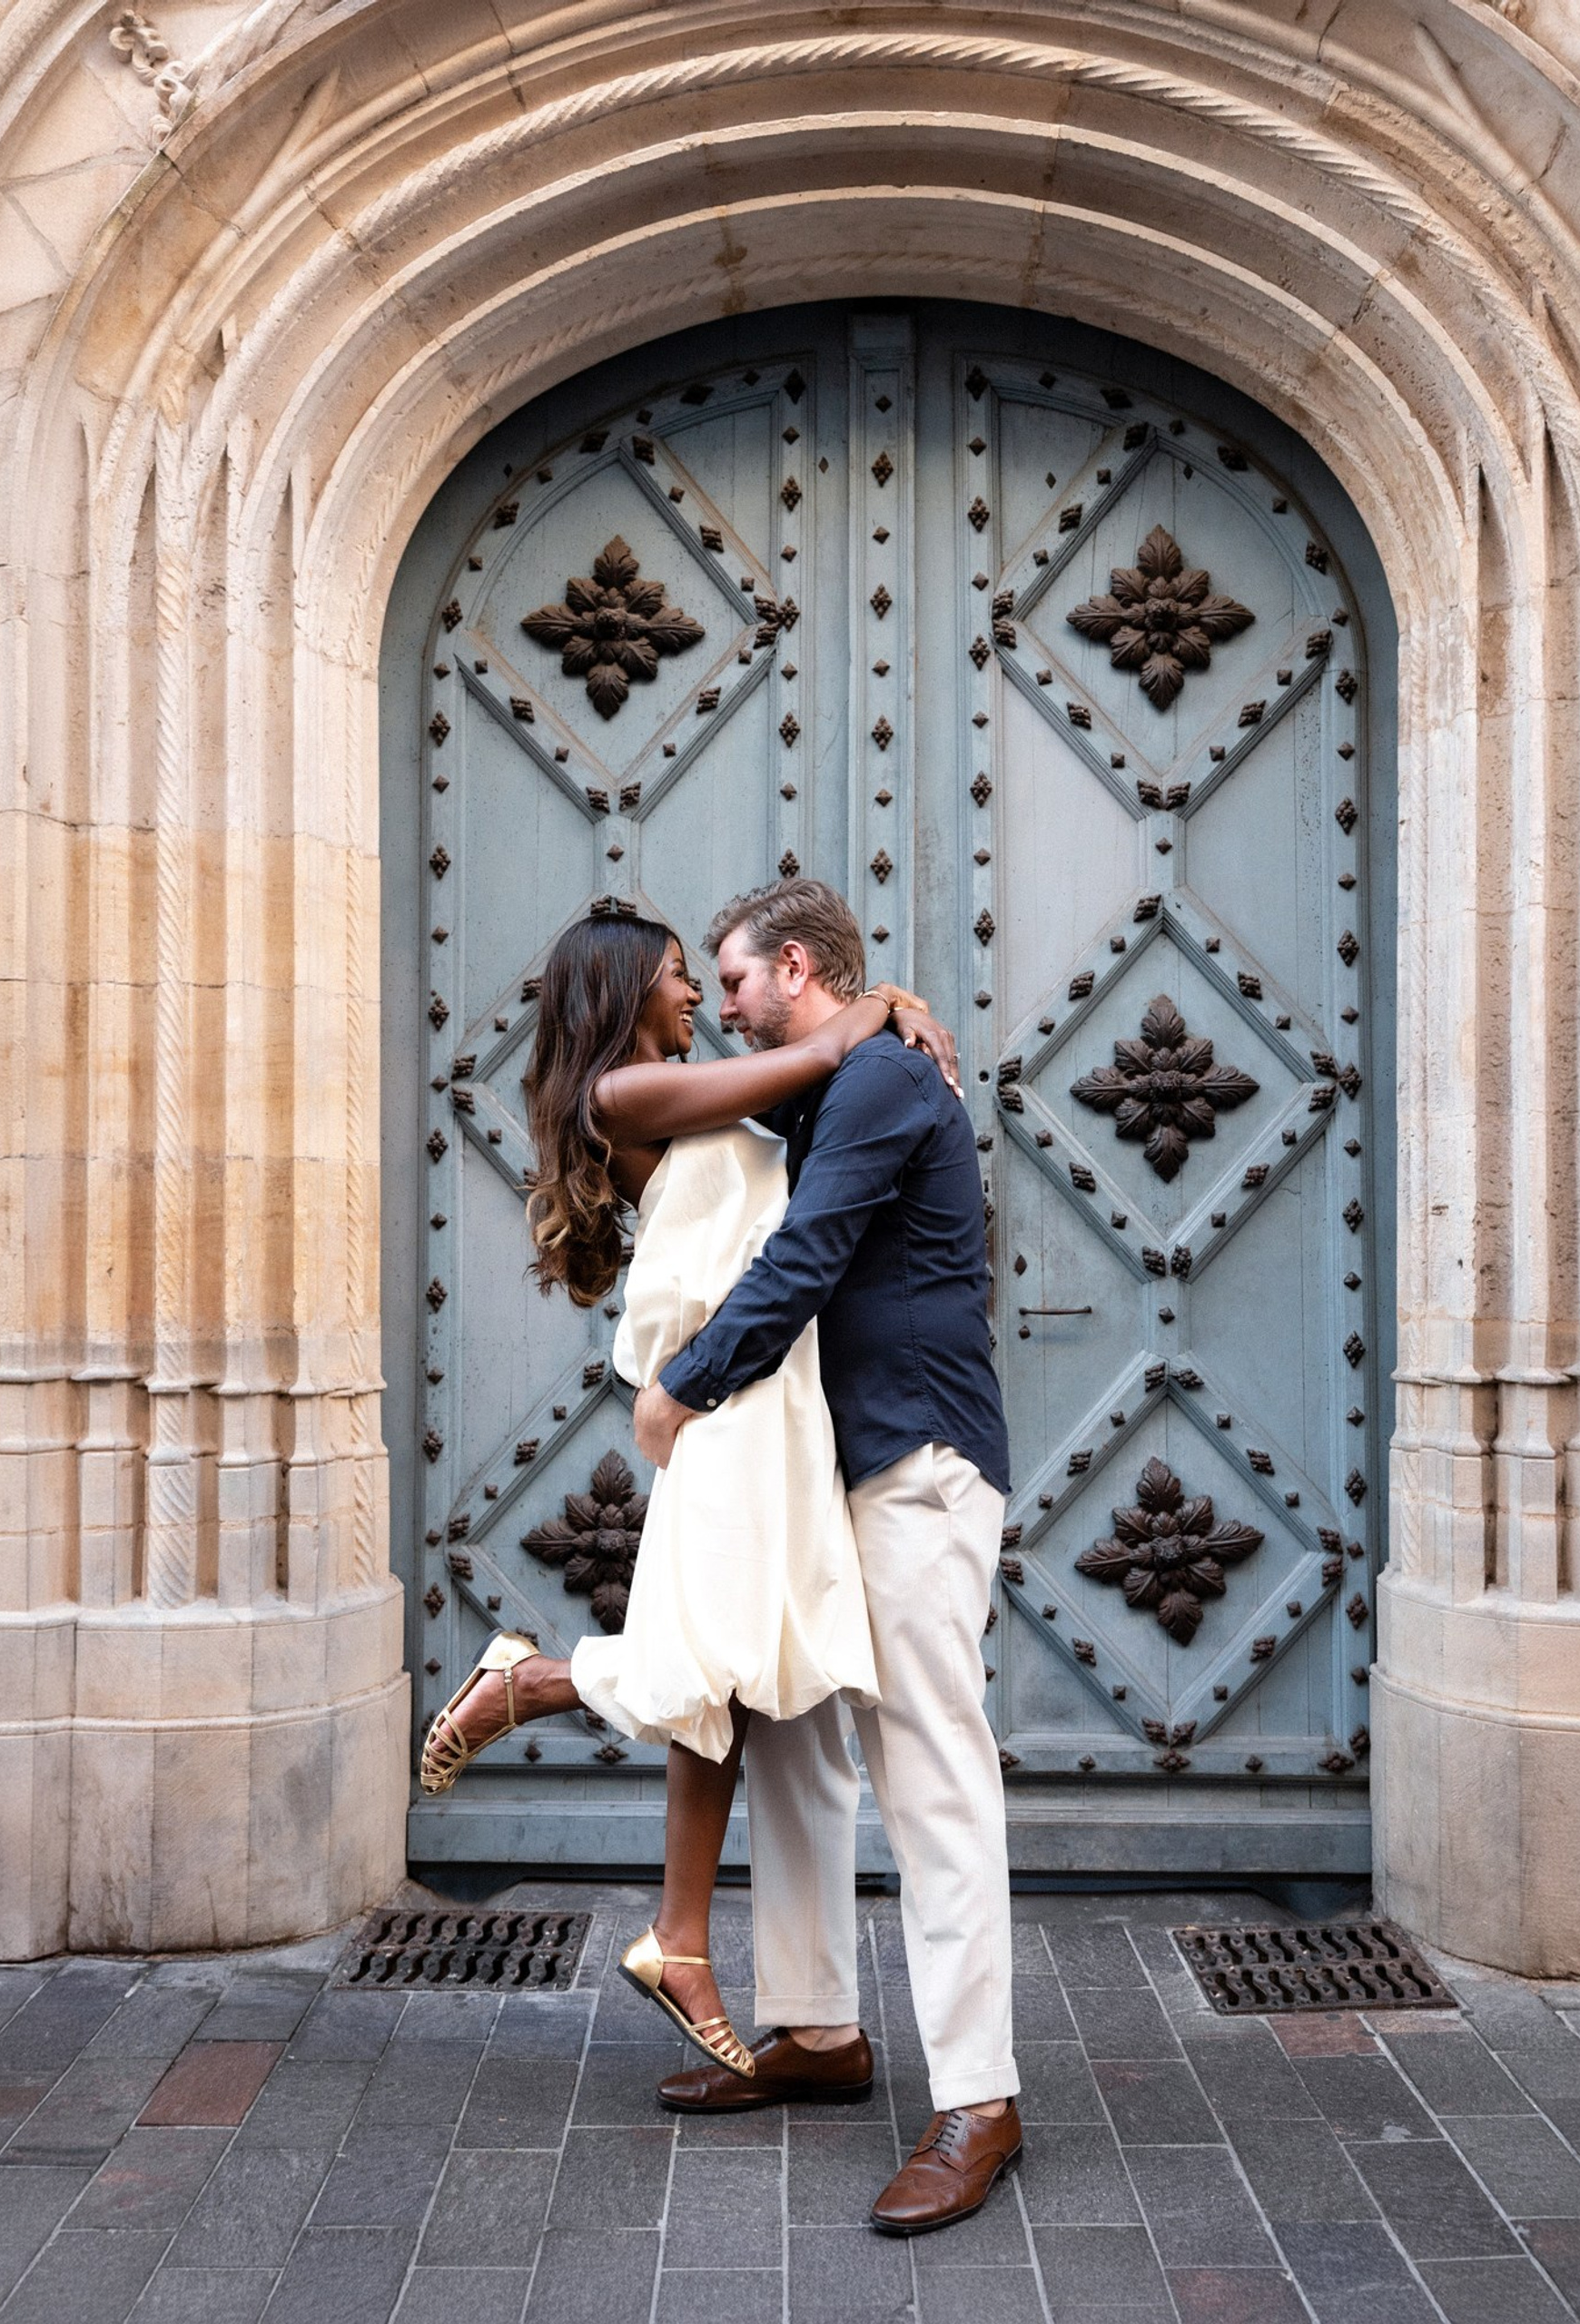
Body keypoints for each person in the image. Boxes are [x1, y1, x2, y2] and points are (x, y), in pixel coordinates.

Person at [417, 907, 954, 2086]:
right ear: (620, 993)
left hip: (771, 1398)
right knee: (724, 1666)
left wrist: (877, 1021)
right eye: (677, 978)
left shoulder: (691, 1086)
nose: (698, 998)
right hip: (723, 1401)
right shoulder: (628, 1094)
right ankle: (537, 1688)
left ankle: (759, 1990)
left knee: (764, 1677)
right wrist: (892, 1004)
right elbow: (822, 1057)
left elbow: (815, 1096)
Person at [632, 878, 1024, 2236]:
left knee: (932, 1771)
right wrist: (872, 1005)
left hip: (917, 1466)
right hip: (833, 1479)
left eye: (736, 984)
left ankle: (979, 2098)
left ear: (792, 967)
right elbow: (725, 1114)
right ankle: (818, 2034)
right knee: (792, 1737)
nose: (723, 1012)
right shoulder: (845, 1070)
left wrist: (682, 1383)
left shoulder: (882, 1090)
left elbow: (805, 1254)